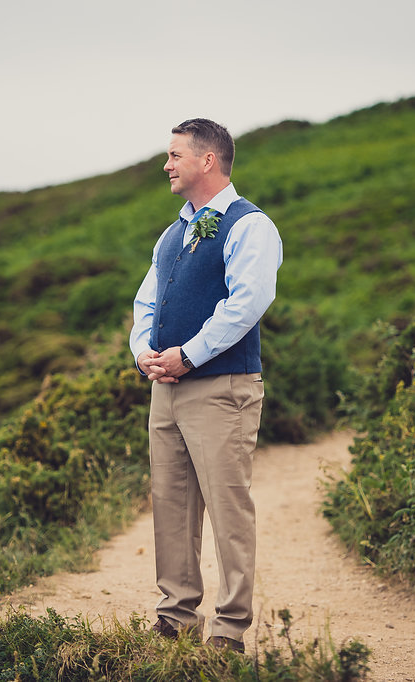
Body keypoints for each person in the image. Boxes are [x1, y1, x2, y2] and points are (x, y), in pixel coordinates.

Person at [129, 118, 283, 653]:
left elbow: (247, 302)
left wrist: (188, 355)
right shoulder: (171, 233)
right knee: (170, 504)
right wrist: (144, 353)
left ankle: (230, 629)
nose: (166, 165)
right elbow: (146, 300)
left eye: (175, 155)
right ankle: (175, 617)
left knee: (227, 507)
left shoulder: (250, 225)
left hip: (222, 388)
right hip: (165, 390)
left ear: (207, 160)